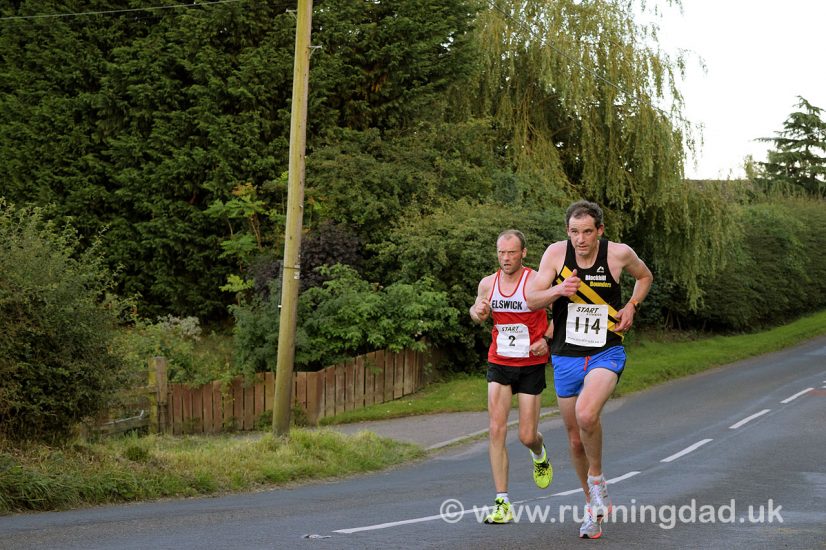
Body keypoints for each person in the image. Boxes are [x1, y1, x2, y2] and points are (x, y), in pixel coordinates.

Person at [525, 200, 652, 539]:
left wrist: (632, 306)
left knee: (585, 415)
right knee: (574, 441)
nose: (580, 239)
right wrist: (558, 290)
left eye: (586, 232)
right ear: (567, 232)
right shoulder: (555, 255)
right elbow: (532, 299)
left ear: (599, 231)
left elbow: (645, 276)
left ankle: (597, 479)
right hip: (566, 355)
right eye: (574, 232)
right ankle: (592, 506)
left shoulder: (618, 254)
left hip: (605, 352)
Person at [470, 229, 554, 525]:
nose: (506, 258)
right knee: (496, 429)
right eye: (501, 253)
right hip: (500, 361)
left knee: (526, 435)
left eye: (511, 252)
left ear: (523, 253)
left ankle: (539, 452)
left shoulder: (536, 281)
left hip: (531, 362)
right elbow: (477, 311)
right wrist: (477, 311)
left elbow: (561, 313)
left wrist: (547, 338)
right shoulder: (487, 283)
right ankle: (502, 502)